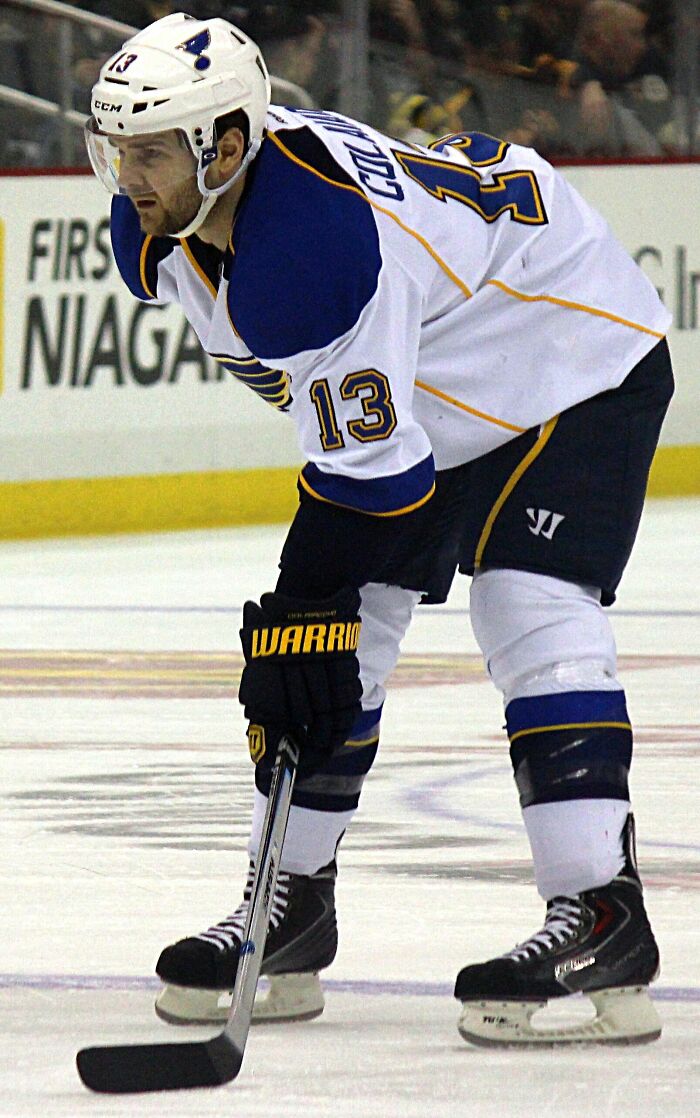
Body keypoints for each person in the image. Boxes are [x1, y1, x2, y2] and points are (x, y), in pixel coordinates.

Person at [86, 11, 673, 1046]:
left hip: (570, 347)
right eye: (114, 147)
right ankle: (293, 901)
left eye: (148, 149)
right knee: (332, 630)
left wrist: (294, 607)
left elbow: (376, 477)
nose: (125, 175)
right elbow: (368, 458)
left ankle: (604, 913)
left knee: (524, 599)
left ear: (225, 146)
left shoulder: (308, 247)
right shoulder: (170, 227)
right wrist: (307, 616)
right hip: (441, 374)